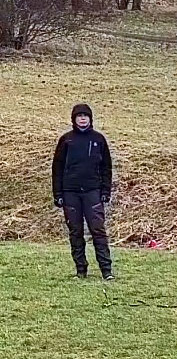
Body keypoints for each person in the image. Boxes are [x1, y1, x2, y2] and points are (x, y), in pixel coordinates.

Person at [52, 104, 114, 280]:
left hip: (92, 192)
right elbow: (57, 168)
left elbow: (106, 168)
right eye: (79, 116)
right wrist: (58, 194)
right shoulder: (66, 140)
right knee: (75, 231)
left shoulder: (99, 140)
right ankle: (81, 270)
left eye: (85, 116)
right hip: (70, 192)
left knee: (98, 230)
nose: (82, 119)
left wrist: (105, 191)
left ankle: (106, 270)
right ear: (74, 119)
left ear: (90, 118)